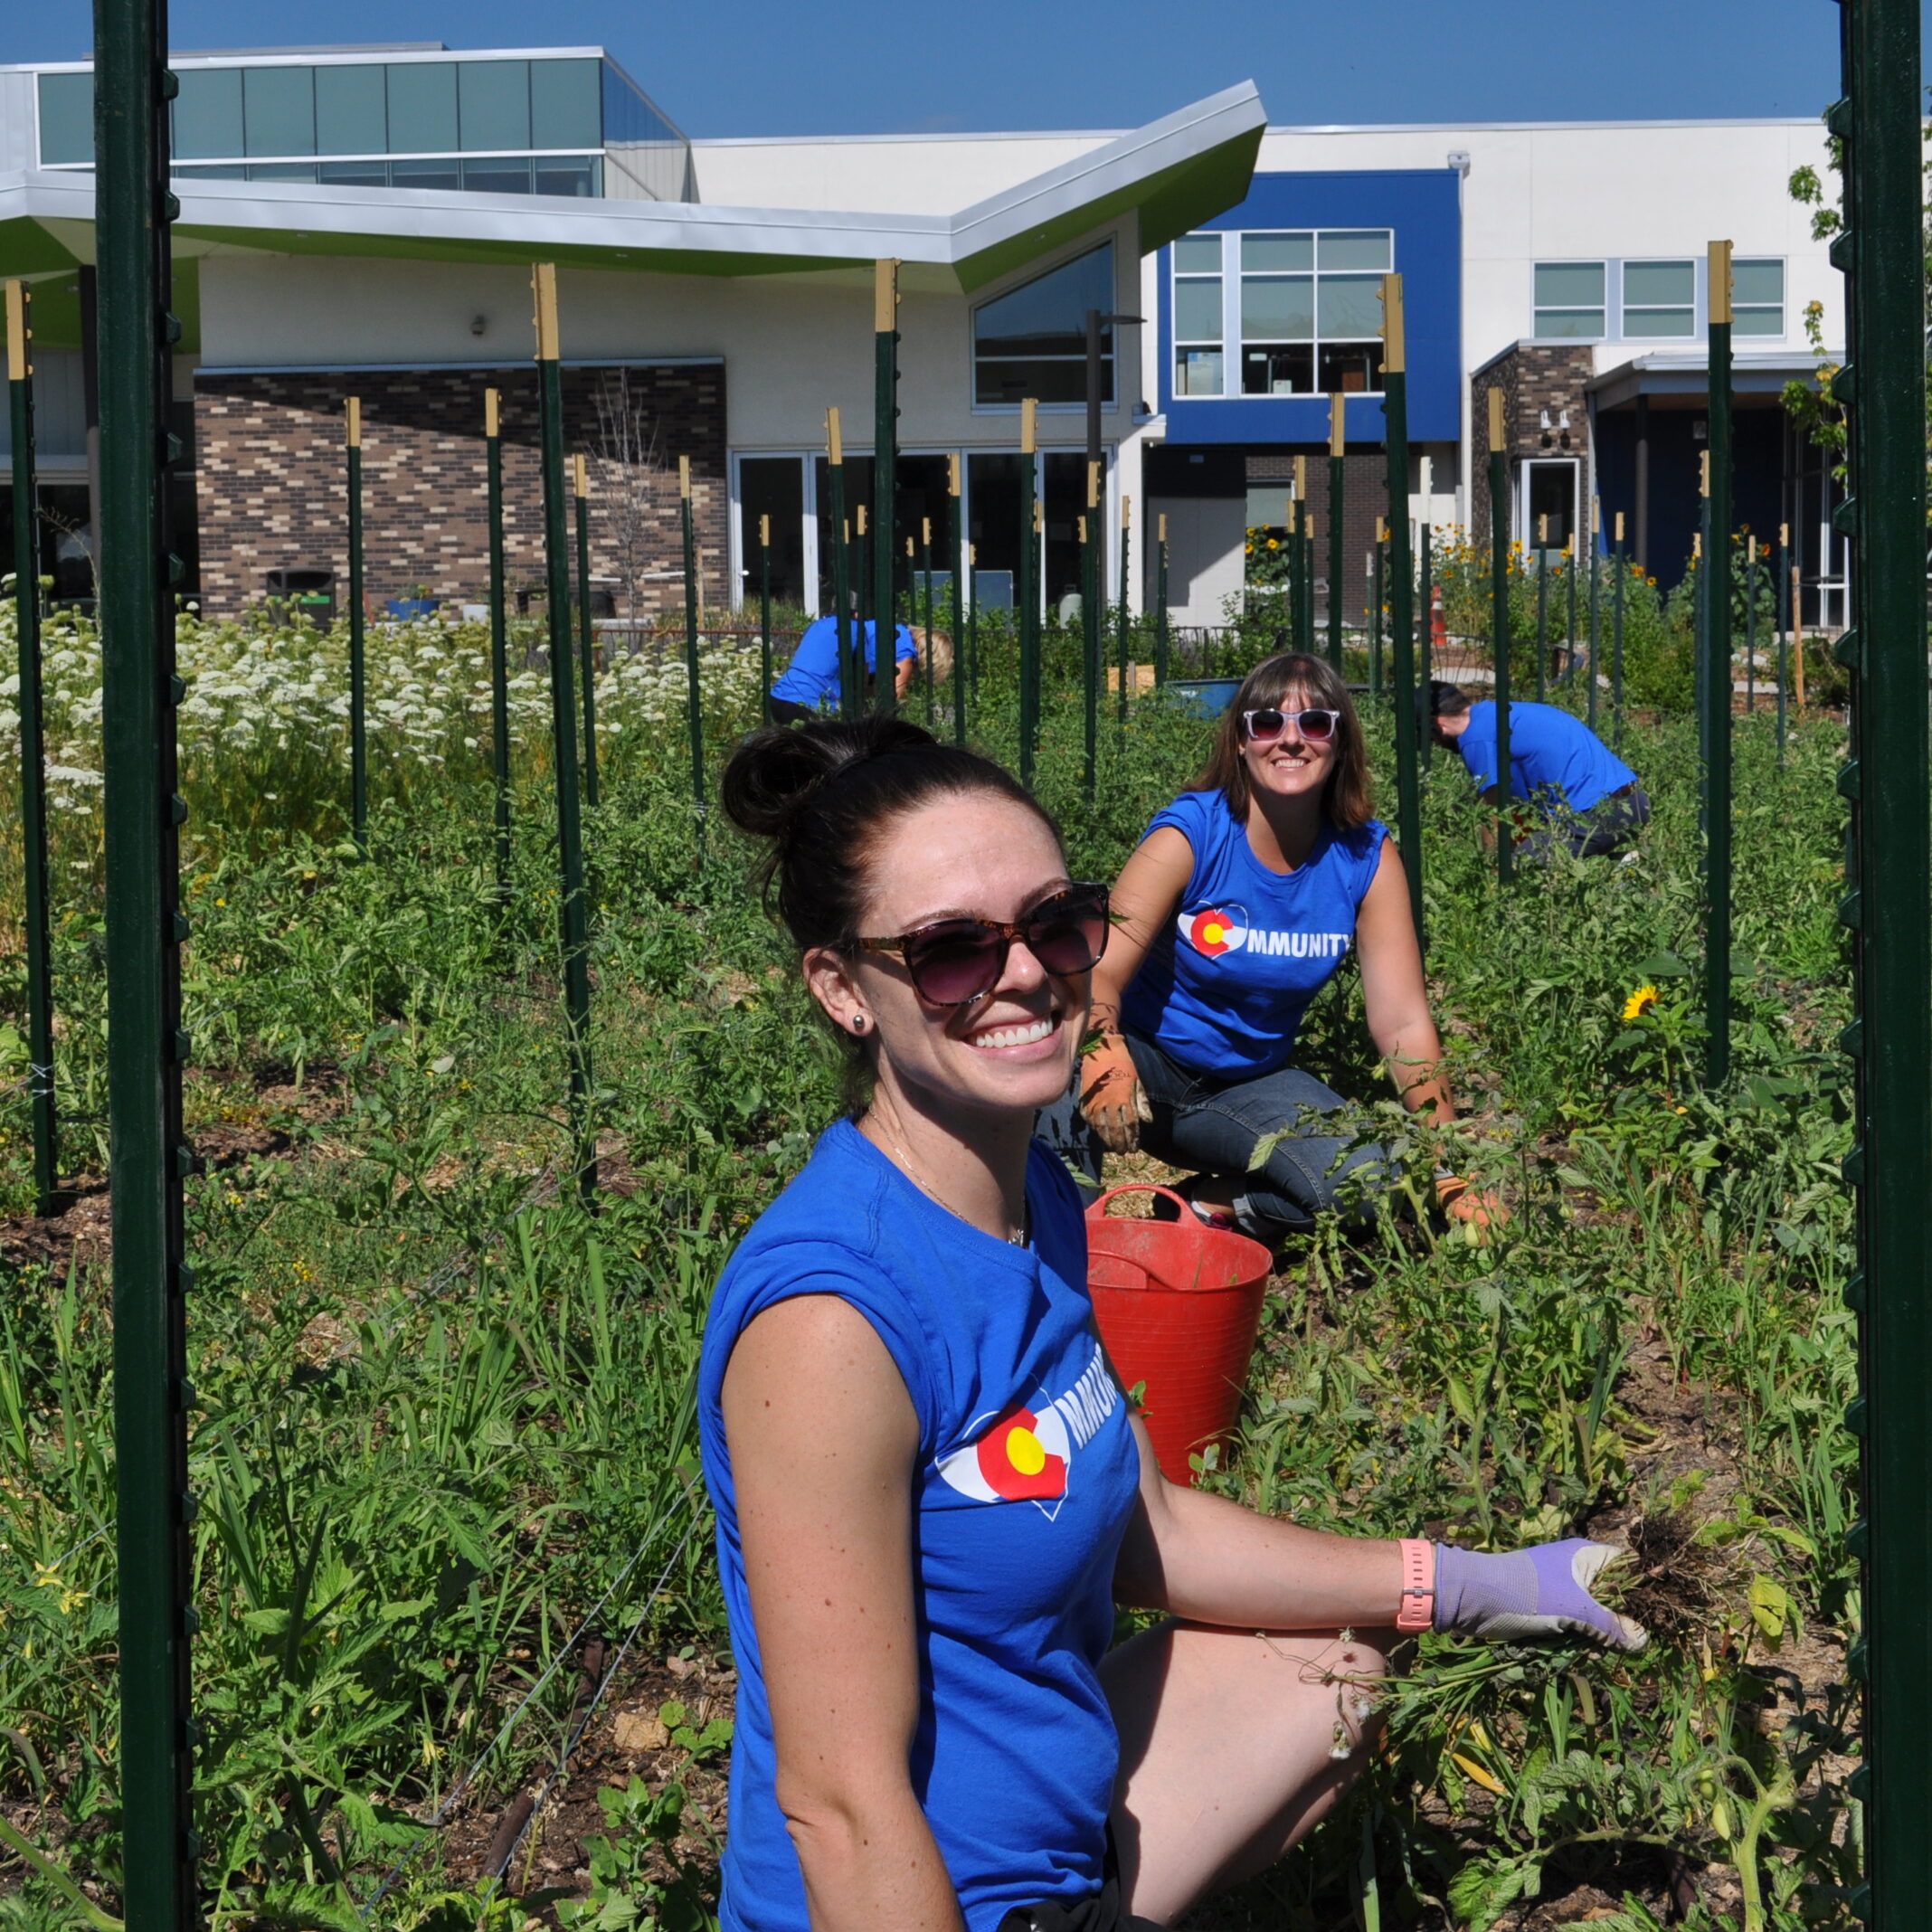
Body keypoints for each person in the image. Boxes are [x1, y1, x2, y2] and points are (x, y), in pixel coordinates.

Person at [700, 714, 1643, 1932]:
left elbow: (1149, 1529)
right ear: (843, 989)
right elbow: (839, 1802)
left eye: (1053, 923)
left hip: (1055, 1849)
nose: (1027, 973)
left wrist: (1466, 1581)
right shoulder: (835, 1317)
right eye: (949, 952)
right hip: (930, 1902)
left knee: (1342, 1659)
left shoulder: (1031, 1193)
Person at [1046, 652, 1492, 1245]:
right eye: (1266, 724)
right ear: (1239, 741)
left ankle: (1211, 1207)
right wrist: (1104, 1049)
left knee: (1374, 1180)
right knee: (1050, 1053)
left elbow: (1405, 1022)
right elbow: (1096, 969)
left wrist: (1450, 1166)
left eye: (1314, 723)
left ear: (1340, 743)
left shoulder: (1366, 859)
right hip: (1146, 1061)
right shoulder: (1193, 833)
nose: (1290, 740)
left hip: (1248, 1086)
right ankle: (1064, 1245)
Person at [1424, 681, 1649, 860]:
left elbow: (1491, 813)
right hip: (1632, 802)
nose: (1435, 744)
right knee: (1540, 853)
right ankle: (1621, 866)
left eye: (1431, 738)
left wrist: (1491, 872)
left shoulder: (1475, 738)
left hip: (1599, 815)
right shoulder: (1498, 714)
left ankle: (1619, 870)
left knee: (1517, 866)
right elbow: (1517, 810)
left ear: (1437, 724)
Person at [771, 617, 949, 724]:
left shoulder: (871, 629)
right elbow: (892, 699)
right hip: (813, 708)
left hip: (779, 698)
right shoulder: (903, 647)